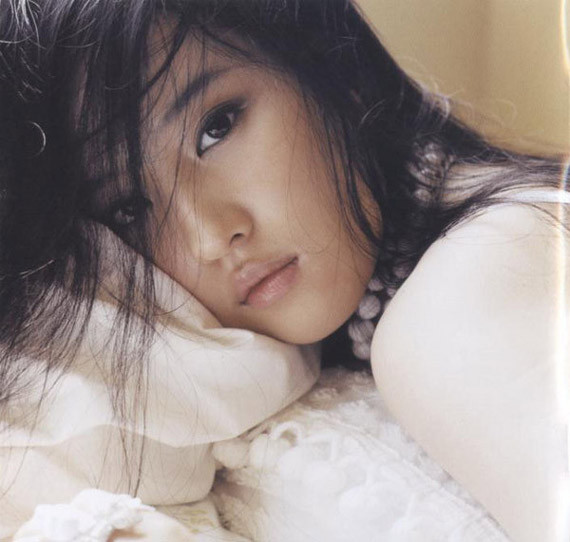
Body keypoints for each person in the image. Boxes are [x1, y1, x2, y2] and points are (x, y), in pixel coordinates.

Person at [0, 0, 567, 540]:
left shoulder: (460, 292)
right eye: (129, 209)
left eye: (216, 128)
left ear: (328, 61)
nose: (210, 236)